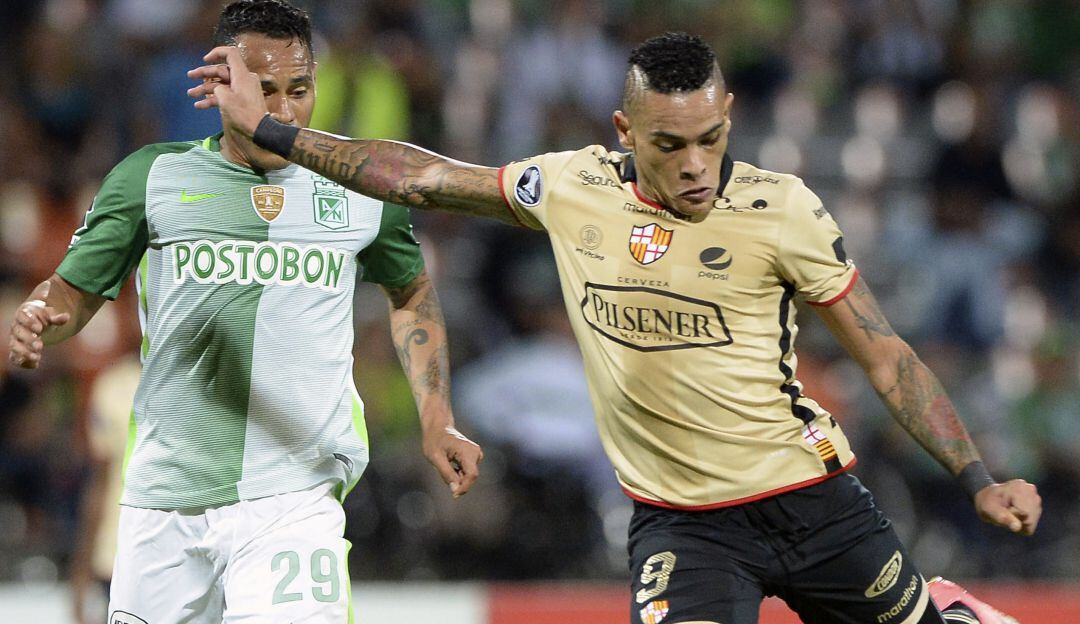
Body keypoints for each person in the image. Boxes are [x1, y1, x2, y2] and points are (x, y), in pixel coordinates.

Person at [191, 32, 1042, 624]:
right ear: (624, 131)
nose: (696, 166)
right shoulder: (570, 187)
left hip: (812, 501)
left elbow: (886, 355)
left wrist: (978, 479)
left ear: (731, 116)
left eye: (712, 138)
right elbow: (422, 178)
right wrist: (272, 130)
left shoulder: (783, 209)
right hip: (682, 524)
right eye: (670, 145)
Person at [6, 1, 482, 623]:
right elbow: (74, 292)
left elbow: (410, 292)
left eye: (300, 89)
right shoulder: (152, 178)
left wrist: (437, 414)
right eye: (264, 90)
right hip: (163, 500)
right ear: (216, 83)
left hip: (294, 495)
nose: (282, 113)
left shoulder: (361, 189)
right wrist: (42, 312)